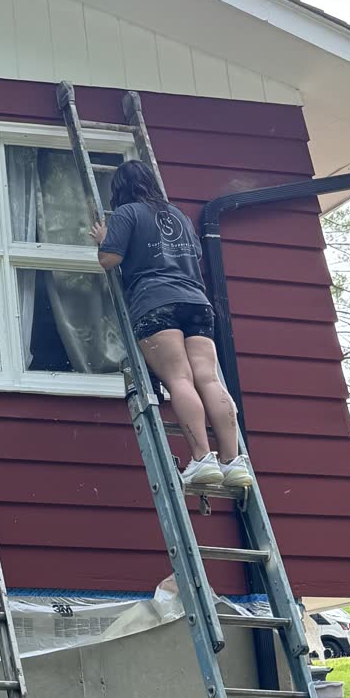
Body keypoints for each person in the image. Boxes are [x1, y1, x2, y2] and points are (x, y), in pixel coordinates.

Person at [92, 160, 254, 494]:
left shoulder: (127, 213)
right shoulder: (177, 215)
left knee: (178, 379)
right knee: (207, 379)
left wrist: (104, 238)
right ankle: (232, 461)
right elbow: (193, 255)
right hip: (197, 303)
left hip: (156, 302)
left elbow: (109, 259)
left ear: (119, 189)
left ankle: (201, 458)